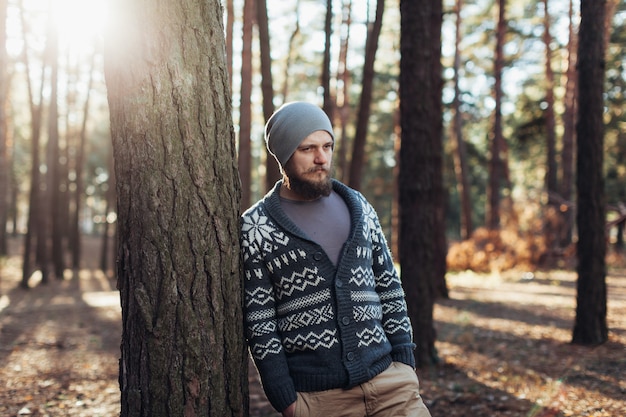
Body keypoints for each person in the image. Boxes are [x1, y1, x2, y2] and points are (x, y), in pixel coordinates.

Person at [240, 101, 432, 417]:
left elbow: (390, 289)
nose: (322, 158)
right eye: (308, 149)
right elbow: (260, 321)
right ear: (284, 154)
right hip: (319, 401)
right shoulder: (256, 226)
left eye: (328, 146)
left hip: (392, 387)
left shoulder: (358, 206)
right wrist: (285, 399)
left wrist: (405, 363)